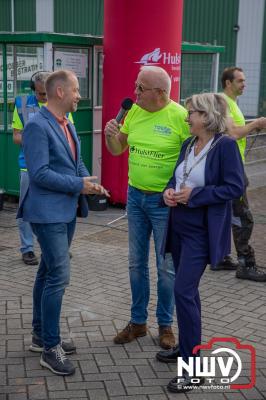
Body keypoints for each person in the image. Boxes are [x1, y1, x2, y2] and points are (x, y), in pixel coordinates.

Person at [18, 70, 109, 376]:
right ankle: (50, 348)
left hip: (66, 211)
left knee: (46, 273)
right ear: (60, 92)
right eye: (76, 90)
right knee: (58, 275)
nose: (79, 95)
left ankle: (40, 336)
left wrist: (90, 183)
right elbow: (39, 173)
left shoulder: (67, 122)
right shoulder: (36, 126)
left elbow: (75, 163)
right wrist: (76, 185)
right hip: (47, 213)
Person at [155, 93, 244, 393]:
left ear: (206, 116)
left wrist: (196, 195)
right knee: (187, 294)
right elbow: (176, 178)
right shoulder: (187, 144)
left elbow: (235, 186)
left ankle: (193, 370)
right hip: (178, 225)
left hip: (201, 232)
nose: (186, 116)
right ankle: (186, 349)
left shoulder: (226, 146)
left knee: (183, 290)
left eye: (191, 112)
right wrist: (168, 193)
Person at [104, 66, 190, 349]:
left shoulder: (181, 117)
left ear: (161, 93)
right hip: (135, 197)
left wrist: (182, 193)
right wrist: (110, 135)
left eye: (141, 88)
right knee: (135, 263)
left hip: (165, 203)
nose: (135, 92)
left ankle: (165, 326)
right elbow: (117, 149)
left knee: (166, 267)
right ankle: (138, 323)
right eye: (136, 86)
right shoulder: (134, 112)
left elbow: (192, 161)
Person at [213, 67, 266, 281]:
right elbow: (233, 133)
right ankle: (246, 263)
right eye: (240, 81)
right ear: (228, 83)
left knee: (226, 215)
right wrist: (256, 124)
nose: (244, 84)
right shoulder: (222, 101)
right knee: (244, 218)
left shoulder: (230, 103)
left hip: (231, 168)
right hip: (231, 171)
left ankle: (220, 257)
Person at [12, 71, 50, 265]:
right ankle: (27, 249)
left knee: (51, 209)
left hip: (53, 168)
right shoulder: (22, 104)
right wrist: (36, 140)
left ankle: (51, 248)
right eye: (41, 94)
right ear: (32, 89)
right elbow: (16, 136)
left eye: (48, 93)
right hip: (29, 166)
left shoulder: (60, 104)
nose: (45, 98)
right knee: (27, 208)